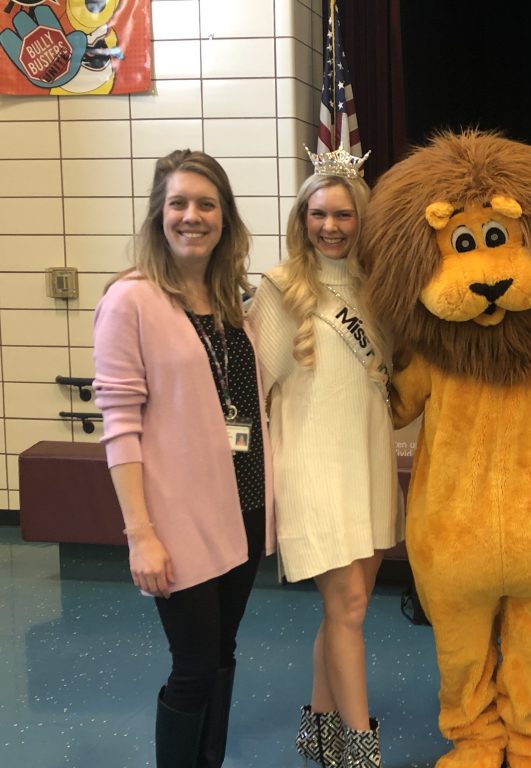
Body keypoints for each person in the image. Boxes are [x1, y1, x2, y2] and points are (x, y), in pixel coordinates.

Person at [92, 149, 275, 768]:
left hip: (243, 505)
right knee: (194, 666)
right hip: (178, 520)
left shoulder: (230, 301)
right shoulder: (131, 300)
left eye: (206, 204)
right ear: (158, 214)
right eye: (178, 203)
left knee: (223, 652)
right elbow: (119, 424)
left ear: (225, 218)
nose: (191, 216)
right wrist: (140, 534)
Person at [248, 146, 402, 768]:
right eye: (318, 214)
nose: (330, 227)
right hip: (312, 468)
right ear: (301, 218)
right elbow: (255, 392)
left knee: (345, 612)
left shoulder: (380, 290)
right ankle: (361, 748)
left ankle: (318, 729)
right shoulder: (280, 290)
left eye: (343, 215)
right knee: (351, 608)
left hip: (367, 467)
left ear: (362, 219)